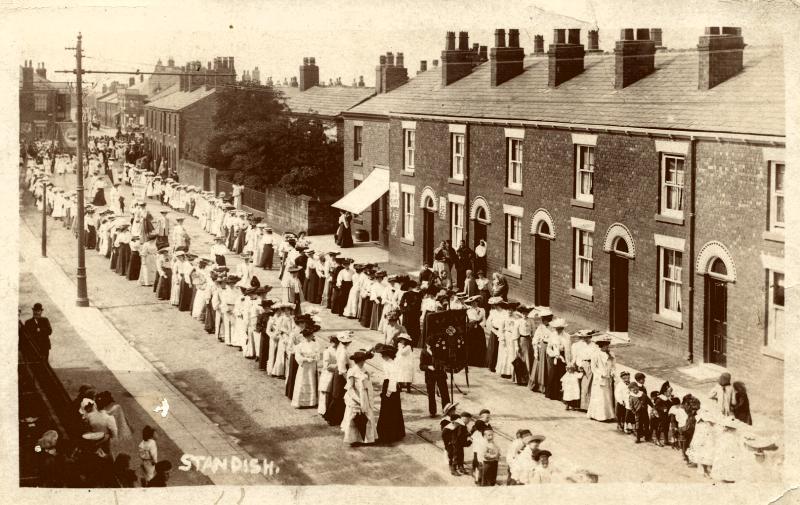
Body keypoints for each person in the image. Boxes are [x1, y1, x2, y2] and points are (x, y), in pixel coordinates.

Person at [341, 350, 378, 445]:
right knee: (354, 417)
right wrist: (357, 400)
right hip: (356, 398)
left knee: (368, 417)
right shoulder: (352, 371)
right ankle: (354, 439)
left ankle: (367, 439)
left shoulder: (365, 370)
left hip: (365, 396)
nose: (362, 362)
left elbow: (368, 383)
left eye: (363, 360)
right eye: (360, 361)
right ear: (356, 361)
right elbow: (350, 388)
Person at [375, 344, 405, 444]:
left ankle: (387, 434)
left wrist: (388, 393)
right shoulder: (387, 362)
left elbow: (393, 379)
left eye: (383, 354)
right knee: (393, 410)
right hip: (388, 385)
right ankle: (396, 433)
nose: (381, 356)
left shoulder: (392, 364)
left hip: (391, 388)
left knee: (388, 410)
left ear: (388, 354)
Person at [324, 331, 353, 426]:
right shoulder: (343, 351)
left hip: (340, 373)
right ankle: (332, 417)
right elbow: (342, 368)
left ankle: (337, 417)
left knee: (339, 395)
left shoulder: (341, 347)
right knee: (338, 395)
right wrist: (348, 379)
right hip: (341, 375)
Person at [587, 338, 616, 421]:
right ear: (602, 346)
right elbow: (593, 367)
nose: (607, 347)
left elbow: (613, 365)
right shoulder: (596, 354)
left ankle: (609, 415)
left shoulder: (611, 354)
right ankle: (598, 415)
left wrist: (612, 372)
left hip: (608, 379)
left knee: (607, 397)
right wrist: (600, 374)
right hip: (599, 379)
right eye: (606, 346)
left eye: (608, 345)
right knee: (600, 397)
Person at [292, 324, 320, 409]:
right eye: (310, 335)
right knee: (302, 381)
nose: (312, 337)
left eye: (312, 335)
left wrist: (314, 358)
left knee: (311, 381)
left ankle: (311, 402)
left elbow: (318, 354)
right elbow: (298, 356)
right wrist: (305, 359)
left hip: (312, 366)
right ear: (306, 336)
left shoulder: (315, 344)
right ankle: (300, 402)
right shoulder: (300, 345)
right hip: (304, 366)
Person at [420, 339, 450, 417]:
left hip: (440, 374)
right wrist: (428, 367)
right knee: (431, 394)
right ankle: (432, 411)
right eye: (428, 345)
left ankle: (447, 410)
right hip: (430, 375)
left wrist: (442, 365)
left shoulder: (439, 350)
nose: (430, 346)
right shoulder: (424, 352)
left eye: (431, 345)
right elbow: (421, 366)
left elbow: (445, 360)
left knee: (444, 392)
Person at [318, 335, 339, 416]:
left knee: (332, 393)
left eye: (337, 342)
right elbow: (326, 365)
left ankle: (330, 411)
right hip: (328, 373)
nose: (335, 344)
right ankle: (323, 410)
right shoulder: (327, 351)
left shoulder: (338, 350)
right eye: (334, 342)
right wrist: (337, 366)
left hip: (335, 373)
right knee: (325, 391)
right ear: (331, 342)